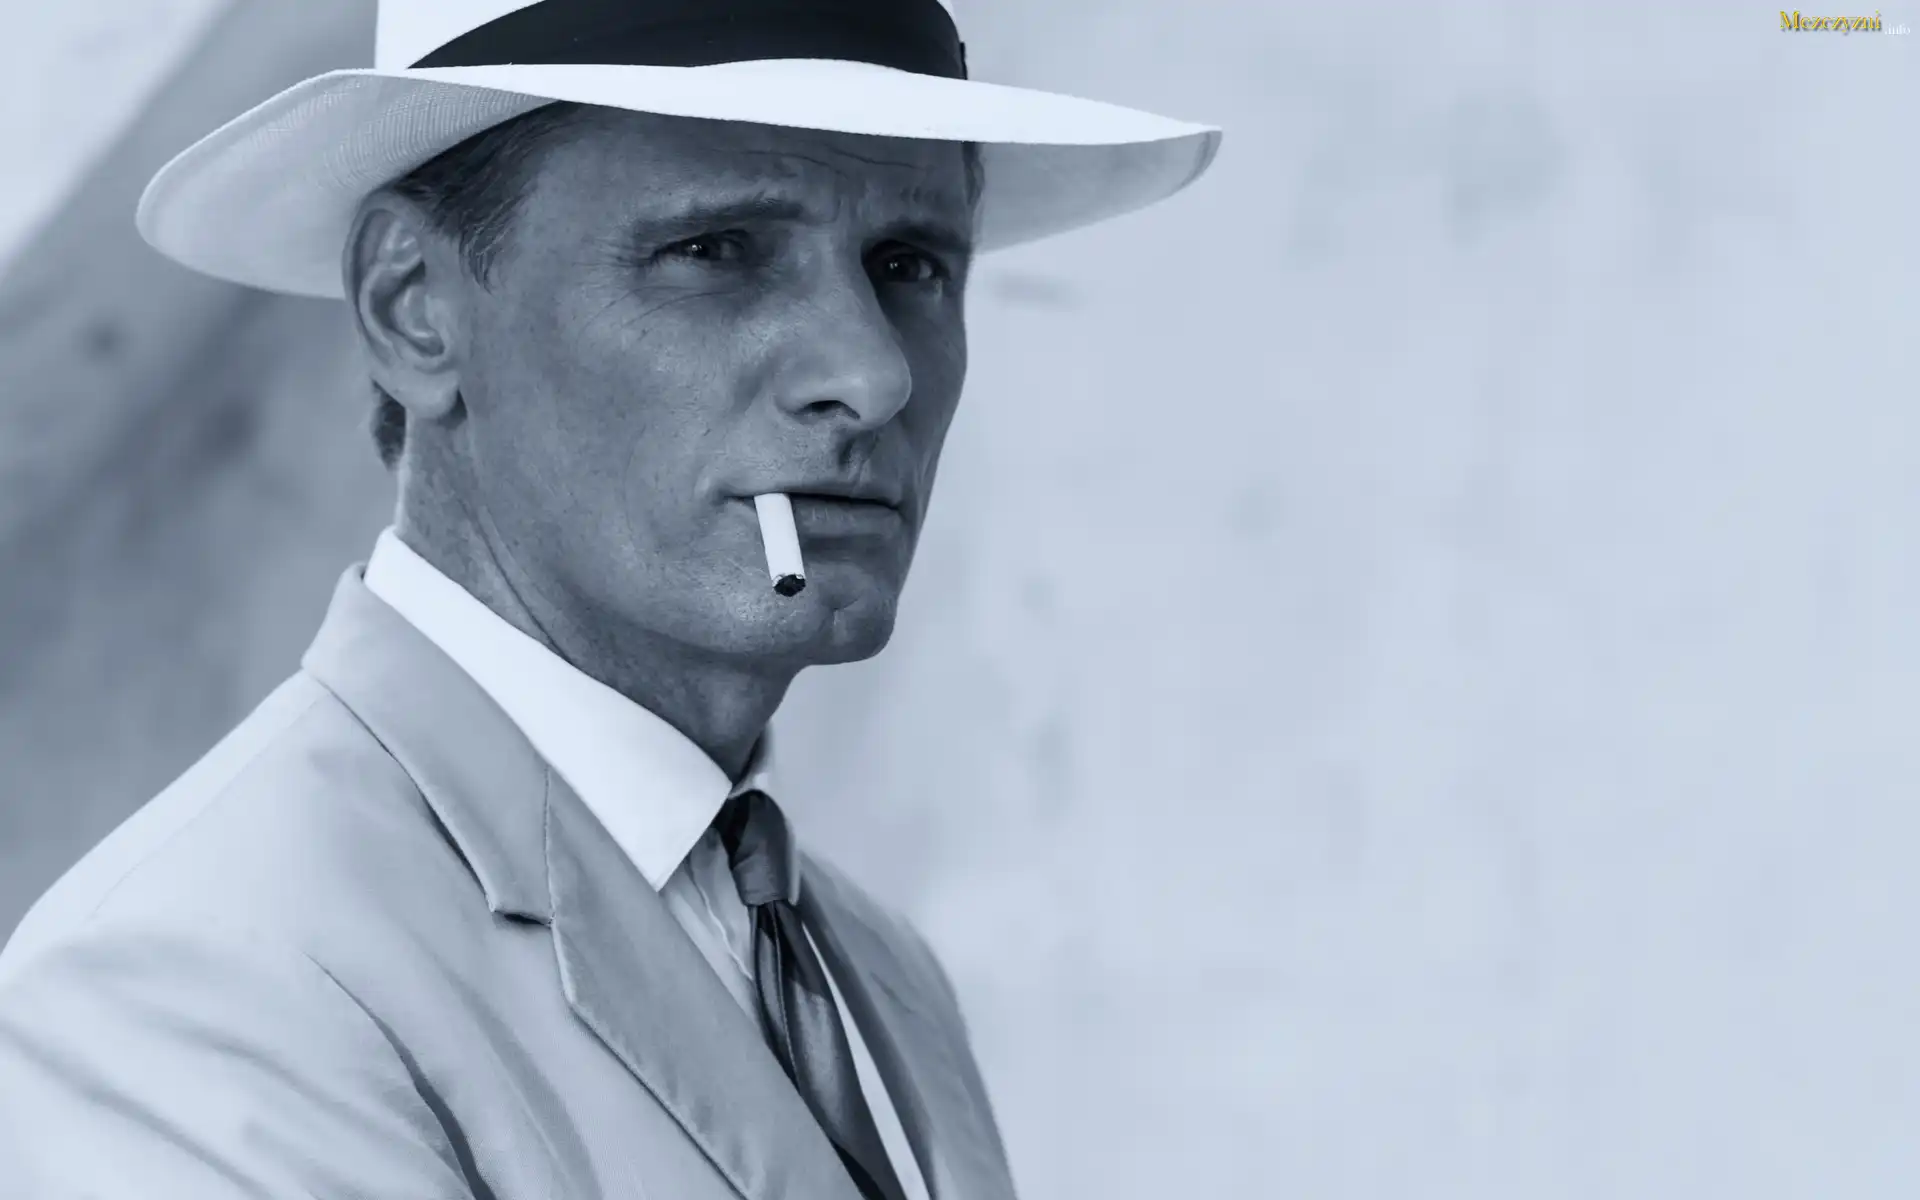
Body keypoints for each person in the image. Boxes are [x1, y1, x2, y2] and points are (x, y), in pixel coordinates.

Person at [0, 1, 1219, 1196]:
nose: (872, 373)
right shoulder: (202, 983)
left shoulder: (876, 974)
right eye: (716, 250)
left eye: (910, 265)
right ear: (411, 307)